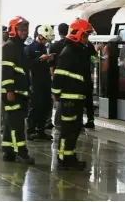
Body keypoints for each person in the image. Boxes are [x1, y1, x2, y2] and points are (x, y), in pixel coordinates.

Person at [51, 19, 95, 170]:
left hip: (77, 98)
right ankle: (63, 158)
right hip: (70, 99)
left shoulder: (78, 50)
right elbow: (59, 75)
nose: (86, 39)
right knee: (67, 130)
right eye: (85, 36)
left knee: (74, 129)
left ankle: (70, 156)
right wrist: (56, 94)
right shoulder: (69, 51)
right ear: (77, 34)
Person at [1, 16, 34, 164]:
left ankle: (8, 151)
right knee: (17, 124)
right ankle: (21, 152)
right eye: (21, 29)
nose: (24, 32)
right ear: (14, 30)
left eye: (25, 29)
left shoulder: (18, 46)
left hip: (18, 92)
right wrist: (9, 90)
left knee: (10, 122)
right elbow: (6, 70)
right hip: (12, 92)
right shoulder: (10, 47)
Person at [24, 25, 54, 141]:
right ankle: (30, 130)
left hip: (45, 81)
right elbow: (27, 64)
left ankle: (40, 130)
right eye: (45, 39)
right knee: (35, 107)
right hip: (35, 82)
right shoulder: (29, 49)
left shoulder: (43, 48)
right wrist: (40, 59)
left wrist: (49, 60)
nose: (46, 41)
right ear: (40, 36)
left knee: (45, 106)